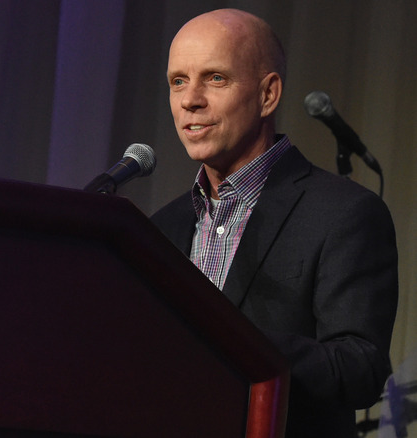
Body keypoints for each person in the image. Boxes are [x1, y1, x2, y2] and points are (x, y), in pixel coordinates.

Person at [150, 8, 398, 438]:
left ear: (268, 95)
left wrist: (230, 342)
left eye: (215, 78)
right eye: (178, 81)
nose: (190, 99)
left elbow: (361, 368)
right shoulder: (159, 229)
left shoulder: (344, 213)